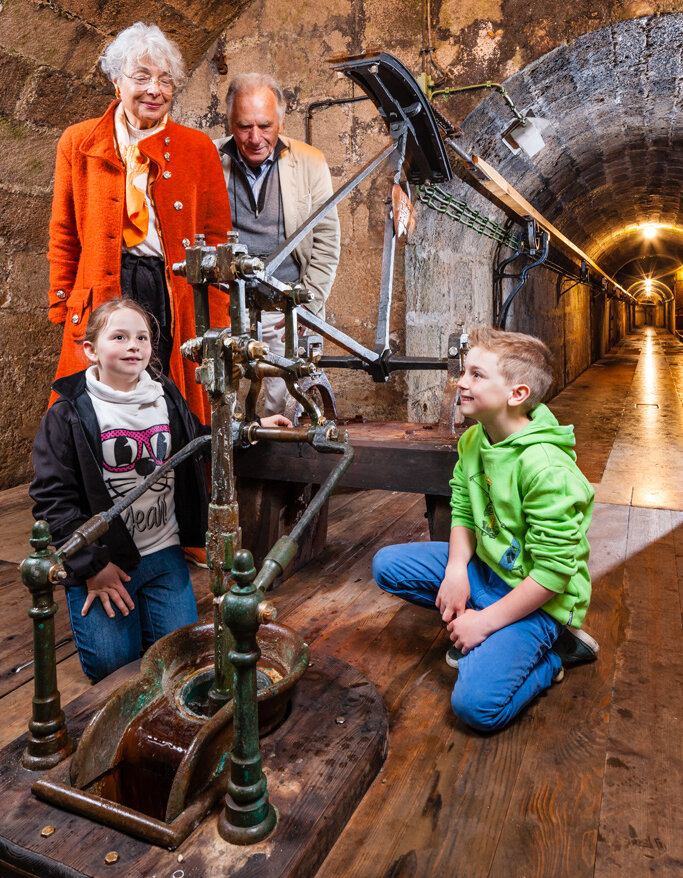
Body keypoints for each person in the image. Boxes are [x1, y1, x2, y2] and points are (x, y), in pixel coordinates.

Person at [30, 299, 290, 683]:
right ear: (90, 350)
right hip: (106, 559)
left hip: (163, 551)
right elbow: (53, 499)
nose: (133, 345)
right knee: (112, 668)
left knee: (183, 658)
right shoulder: (68, 412)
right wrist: (92, 568)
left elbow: (198, 439)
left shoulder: (163, 395)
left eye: (142, 337)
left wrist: (251, 427)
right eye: (119, 336)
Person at [372, 327, 598, 732]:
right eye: (465, 371)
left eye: (477, 375)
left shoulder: (546, 468)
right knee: (387, 565)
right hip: (489, 572)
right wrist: (457, 570)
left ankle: (552, 655)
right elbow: (463, 505)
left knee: (475, 707)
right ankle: (488, 627)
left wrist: (484, 623)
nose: (461, 382)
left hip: (539, 599)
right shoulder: (475, 439)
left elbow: (553, 573)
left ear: (517, 395)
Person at [47, 22, 232, 423]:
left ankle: (168, 480)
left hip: (170, 290)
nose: (155, 90)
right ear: (117, 82)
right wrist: (63, 303)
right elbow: (64, 232)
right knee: (97, 402)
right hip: (101, 289)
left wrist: (216, 312)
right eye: (142, 77)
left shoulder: (198, 149)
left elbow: (217, 237)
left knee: (167, 393)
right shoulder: (77, 142)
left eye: (166, 81)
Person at [214, 73, 341, 415]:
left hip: (286, 309)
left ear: (281, 120)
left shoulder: (310, 161)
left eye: (265, 125)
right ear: (230, 121)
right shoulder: (209, 159)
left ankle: (274, 465)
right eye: (244, 126)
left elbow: (327, 239)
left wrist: (309, 307)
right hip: (224, 304)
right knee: (217, 396)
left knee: (284, 402)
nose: (255, 138)